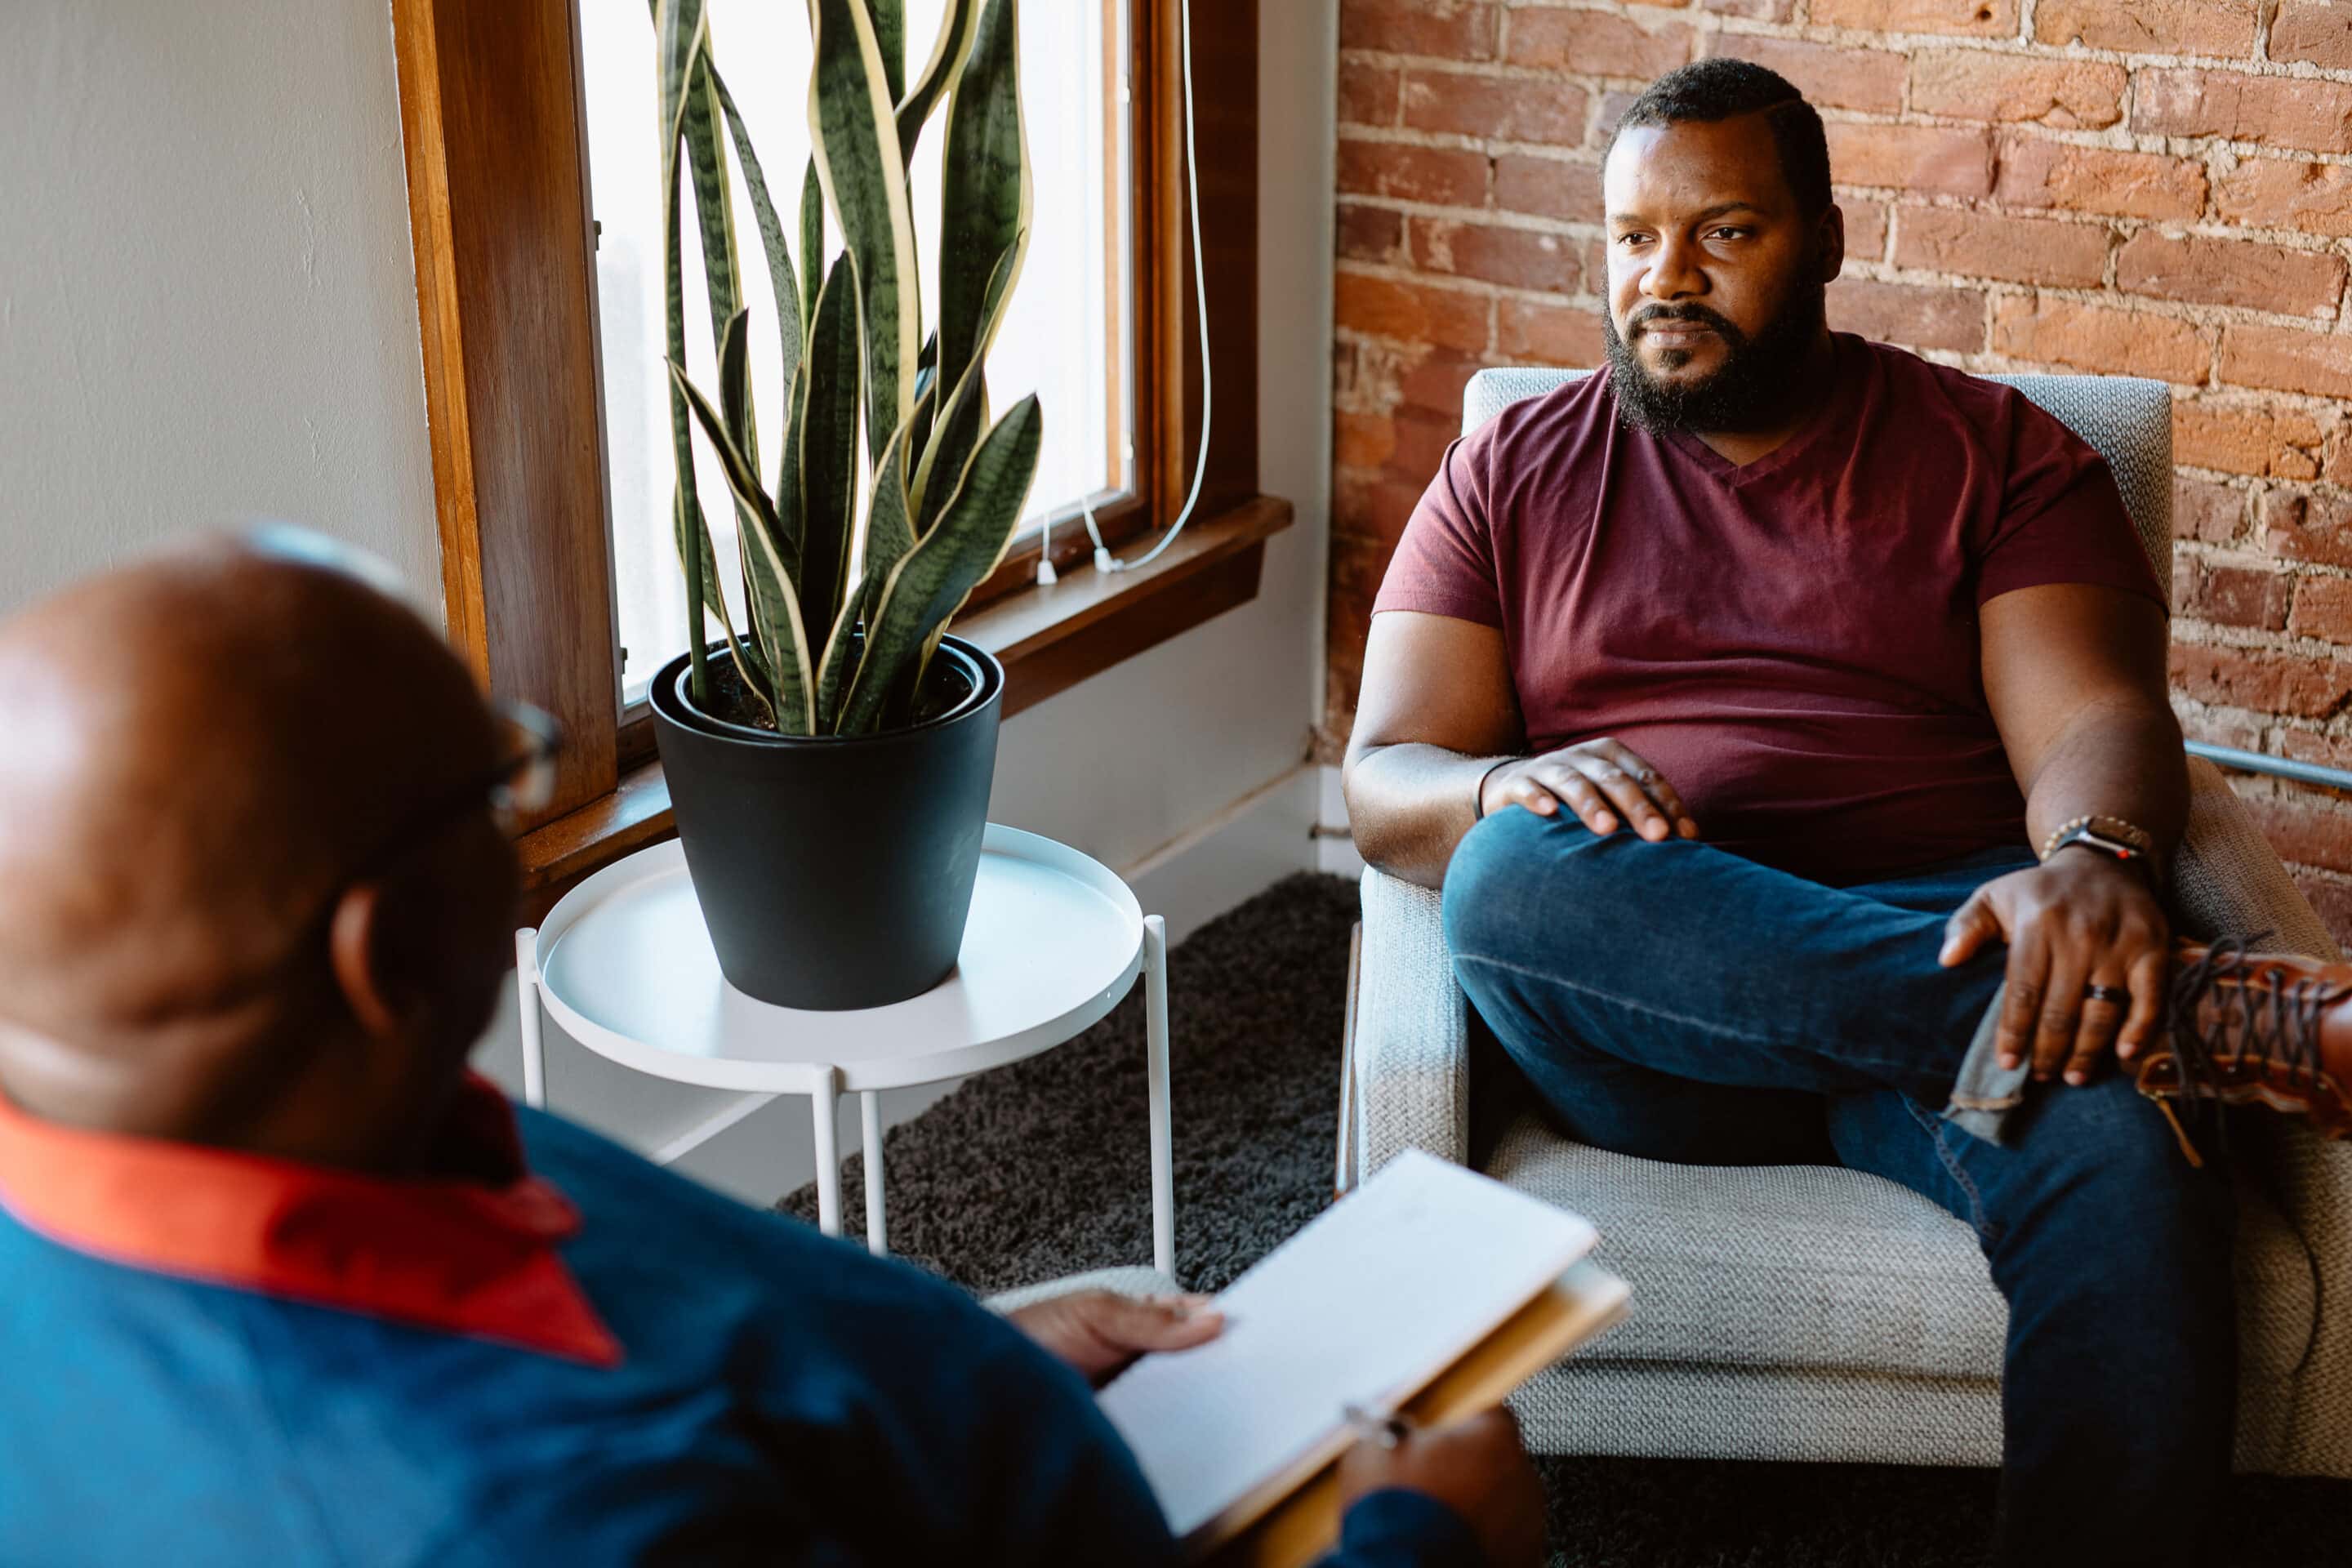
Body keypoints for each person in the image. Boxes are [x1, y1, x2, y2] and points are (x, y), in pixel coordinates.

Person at [0, 532, 1546, 1567]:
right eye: (499, 784)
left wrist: (970, 1366)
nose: (514, 818)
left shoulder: (315, 1118)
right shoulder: (540, 1522)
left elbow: (655, 1325)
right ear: (386, 953)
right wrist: (1420, 1553)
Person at [1343, 57, 2352, 1568]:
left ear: (1823, 235)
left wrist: (2094, 861)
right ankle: (2198, 1020)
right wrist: (1499, 782)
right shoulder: (1514, 467)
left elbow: (2094, 713)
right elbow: (1387, 774)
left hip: (1942, 929)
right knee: (1511, 878)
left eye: (1723, 234)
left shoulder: (1994, 451)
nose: (1663, 279)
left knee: (2126, 1154)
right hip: (1650, 1007)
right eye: (1631, 240)